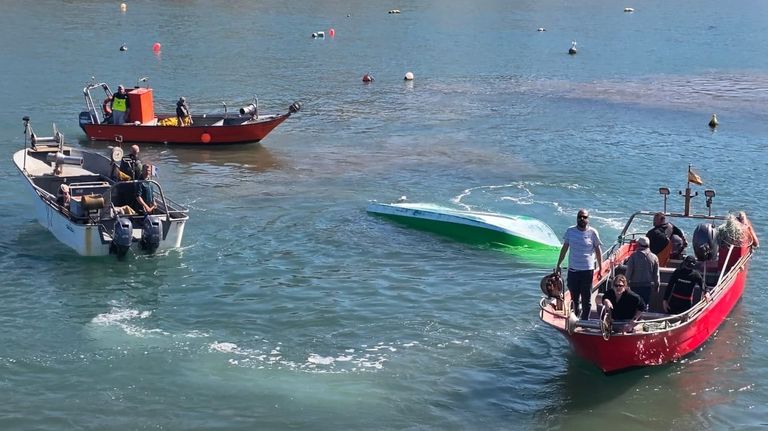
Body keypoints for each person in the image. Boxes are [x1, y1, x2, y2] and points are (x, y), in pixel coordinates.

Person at [556, 209, 603, 320]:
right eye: (580, 216)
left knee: (586, 298)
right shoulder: (570, 231)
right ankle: (575, 319)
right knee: (574, 298)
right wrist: (558, 264)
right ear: (577, 218)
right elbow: (564, 248)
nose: (582, 219)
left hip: (587, 271)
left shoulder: (593, 232)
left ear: (588, 219)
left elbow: (598, 250)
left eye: (584, 217)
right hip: (573, 270)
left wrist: (600, 268)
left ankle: (585, 320)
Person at [624, 236, 660, 310]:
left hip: (634, 286)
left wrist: (625, 285)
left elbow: (628, 272)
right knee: (644, 306)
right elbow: (656, 275)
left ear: (639, 245)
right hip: (647, 287)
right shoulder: (654, 257)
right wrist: (657, 285)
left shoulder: (633, 256)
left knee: (633, 306)